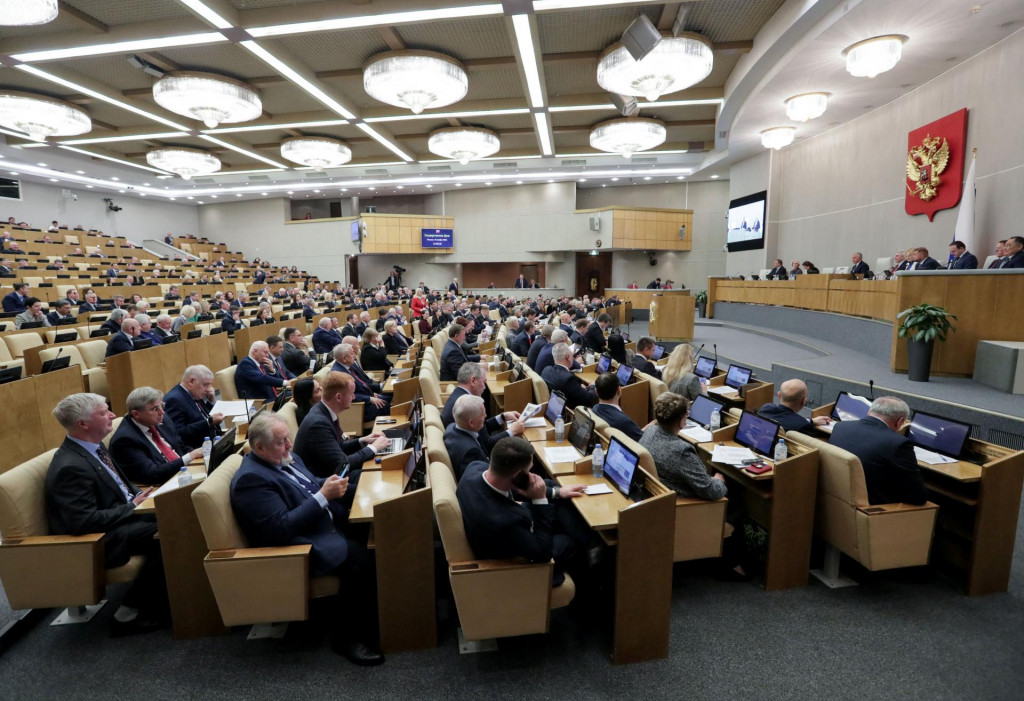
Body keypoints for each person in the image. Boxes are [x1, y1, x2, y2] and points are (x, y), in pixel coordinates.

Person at [230, 414, 384, 665]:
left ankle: (380, 615)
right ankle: (346, 638)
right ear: (259, 447)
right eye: (281, 441)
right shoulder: (251, 480)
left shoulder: (286, 458)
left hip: (325, 521)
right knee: (363, 560)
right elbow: (280, 528)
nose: (290, 445)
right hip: (300, 544)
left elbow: (310, 486)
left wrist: (344, 487)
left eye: (288, 438)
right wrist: (324, 495)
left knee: (382, 532)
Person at [47, 393, 169, 636]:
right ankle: (127, 613)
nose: (113, 415)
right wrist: (133, 506)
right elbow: (82, 521)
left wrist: (140, 499)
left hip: (123, 518)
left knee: (178, 514)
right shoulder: (70, 466)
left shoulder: (94, 447)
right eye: (104, 412)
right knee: (169, 530)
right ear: (83, 424)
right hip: (102, 538)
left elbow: (123, 486)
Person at [639, 392, 748, 579]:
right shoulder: (681, 450)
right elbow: (712, 492)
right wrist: (719, 481)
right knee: (737, 501)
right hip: (683, 504)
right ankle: (730, 563)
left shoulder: (650, 430)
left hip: (658, 493)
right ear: (682, 421)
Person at [456, 437, 587, 587]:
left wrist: (557, 492)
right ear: (518, 476)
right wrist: (540, 499)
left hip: (503, 518)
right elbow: (542, 553)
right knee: (569, 541)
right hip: (508, 564)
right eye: (529, 470)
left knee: (560, 508)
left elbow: (507, 485)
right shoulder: (503, 522)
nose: (532, 475)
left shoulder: (475, 468)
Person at [829, 397, 928, 505]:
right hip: (874, 507)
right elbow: (918, 497)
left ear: (869, 411)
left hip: (836, 496)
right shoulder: (898, 443)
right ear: (901, 421)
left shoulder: (841, 426)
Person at [293, 372, 388, 478]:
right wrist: (373, 448)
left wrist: (363, 441)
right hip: (326, 482)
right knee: (376, 476)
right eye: (351, 393)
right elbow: (343, 464)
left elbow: (338, 447)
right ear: (338, 397)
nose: (354, 397)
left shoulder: (326, 411)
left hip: (334, 473)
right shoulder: (318, 423)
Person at [109, 387, 205, 485]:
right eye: (155, 409)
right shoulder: (125, 440)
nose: (162, 412)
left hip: (183, 473)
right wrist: (190, 456)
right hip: (162, 485)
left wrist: (202, 454)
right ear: (136, 414)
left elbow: (180, 447)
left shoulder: (162, 420)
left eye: (162, 406)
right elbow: (152, 474)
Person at [163, 365, 225, 447]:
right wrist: (208, 422)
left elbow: (204, 416)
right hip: (198, 450)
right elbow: (178, 433)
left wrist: (211, 401)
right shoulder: (174, 400)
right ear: (191, 381)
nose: (208, 389)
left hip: (214, 441)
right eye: (206, 384)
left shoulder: (194, 392)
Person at [329, 343, 389, 421]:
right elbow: (346, 397)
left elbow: (362, 384)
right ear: (344, 358)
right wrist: (369, 398)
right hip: (359, 408)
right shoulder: (338, 374)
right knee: (388, 406)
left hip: (367, 399)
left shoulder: (351, 366)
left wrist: (371, 394)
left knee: (392, 396)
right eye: (351, 353)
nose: (355, 355)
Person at [443, 395, 494, 480]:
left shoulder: (451, 427)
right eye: (482, 414)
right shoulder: (471, 453)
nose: (485, 415)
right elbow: (478, 480)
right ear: (471, 423)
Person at [756, 379, 831, 435]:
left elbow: (784, 418)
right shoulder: (803, 426)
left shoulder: (766, 408)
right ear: (804, 401)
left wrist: (810, 421)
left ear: (779, 395)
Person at [541, 343, 596, 409]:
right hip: (570, 411)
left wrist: (578, 387)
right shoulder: (569, 380)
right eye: (572, 355)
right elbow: (588, 400)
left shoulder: (546, 370)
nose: (573, 358)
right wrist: (593, 386)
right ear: (568, 357)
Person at [590, 372, 643, 441]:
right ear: (619, 390)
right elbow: (643, 439)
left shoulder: (595, 408)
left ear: (596, 392)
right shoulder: (624, 421)